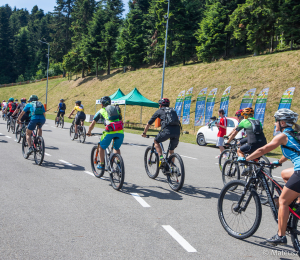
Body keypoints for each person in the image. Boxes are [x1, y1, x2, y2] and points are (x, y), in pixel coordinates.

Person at [246, 108, 300, 246]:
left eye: (276, 121)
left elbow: (263, 149)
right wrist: (278, 162)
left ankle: (280, 236)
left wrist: (248, 158)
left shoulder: (282, 136)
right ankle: (297, 202)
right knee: (284, 174)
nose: (275, 124)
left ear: (282, 122)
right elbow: (293, 151)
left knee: (283, 201)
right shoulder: (295, 134)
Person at [87, 96, 124, 174]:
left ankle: (102, 164)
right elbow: (121, 121)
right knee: (116, 148)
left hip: (109, 132)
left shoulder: (101, 111)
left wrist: (89, 132)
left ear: (101, 104)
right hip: (120, 132)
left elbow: (92, 124)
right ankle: (119, 165)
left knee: (101, 146)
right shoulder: (116, 109)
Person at [142, 98, 181, 168]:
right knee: (171, 150)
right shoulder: (173, 110)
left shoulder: (160, 111)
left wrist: (144, 133)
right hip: (177, 131)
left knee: (156, 141)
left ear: (160, 105)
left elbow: (149, 123)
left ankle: (161, 158)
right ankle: (172, 169)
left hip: (167, 131)